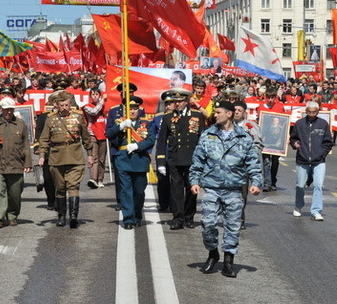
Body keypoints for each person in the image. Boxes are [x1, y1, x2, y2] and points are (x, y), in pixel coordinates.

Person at [189, 101, 262, 278]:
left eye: (218, 112)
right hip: (212, 188)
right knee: (208, 224)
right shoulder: (208, 135)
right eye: (215, 112)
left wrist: (256, 182)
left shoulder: (243, 137)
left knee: (232, 227)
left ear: (229, 114)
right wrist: (194, 181)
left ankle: (229, 261)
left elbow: (253, 162)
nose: (215, 115)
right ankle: (213, 253)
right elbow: (197, 161)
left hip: (234, 189)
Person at [36, 90, 96, 228]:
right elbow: (44, 139)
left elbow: (86, 138)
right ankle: (61, 215)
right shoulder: (51, 119)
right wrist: (41, 156)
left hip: (75, 157)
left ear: (70, 104)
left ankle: (73, 216)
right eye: (61, 105)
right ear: (56, 105)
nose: (64, 108)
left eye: (67, 105)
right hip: (56, 158)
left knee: (73, 186)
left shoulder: (78, 118)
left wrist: (90, 155)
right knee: (60, 187)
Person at [156, 87, 205, 230]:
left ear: (187, 101)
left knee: (191, 189)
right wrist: (160, 162)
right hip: (175, 158)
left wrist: (204, 160)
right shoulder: (167, 117)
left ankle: (189, 216)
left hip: (192, 159)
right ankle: (178, 218)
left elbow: (202, 140)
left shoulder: (197, 116)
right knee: (176, 190)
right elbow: (161, 141)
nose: (177, 104)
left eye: (180, 101)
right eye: (175, 101)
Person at [107, 95, 157, 229]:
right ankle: (128, 219)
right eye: (130, 108)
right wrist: (121, 127)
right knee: (125, 190)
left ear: (139, 109)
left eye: (135, 108)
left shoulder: (147, 123)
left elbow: (151, 139)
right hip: (123, 160)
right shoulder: (120, 122)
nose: (133, 111)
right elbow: (109, 134)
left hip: (140, 160)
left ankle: (137, 215)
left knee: (139, 191)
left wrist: (137, 146)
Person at [0, 97, 33, 227]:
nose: (9, 112)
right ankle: (0, 217)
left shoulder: (21, 124)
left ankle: (12, 215)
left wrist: (28, 163)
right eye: (6, 110)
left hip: (15, 164)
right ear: (1, 109)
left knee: (15, 193)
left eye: (11, 109)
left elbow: (25, 145)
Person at [289, 100, 333, 221]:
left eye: (314, 112)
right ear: (306, 111)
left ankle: (316, 210)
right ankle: (298, 206)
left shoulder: (323, 124)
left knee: (318, 185)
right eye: (309, 112)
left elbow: (328, 142)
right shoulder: (299, 124)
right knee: (300, 185)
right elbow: (293, 138)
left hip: (319, 160)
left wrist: (322, 153)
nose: (312, 114)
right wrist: (295, 144)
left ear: (318, 112)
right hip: (302, 159)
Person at [256, 89, 286, 191]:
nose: (270, 100)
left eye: (272, 98)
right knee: (266, 161)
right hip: (265, 138)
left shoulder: (280, 107)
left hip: (277, 139)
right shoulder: (261, 108)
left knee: (275, 161)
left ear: (275, 98)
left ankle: (273, 181)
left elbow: (284, 122)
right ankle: (267, 183)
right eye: (268, 97)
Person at [82, 87, 108, 189]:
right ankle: (93, 179)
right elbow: (94, 112)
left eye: (97, 94)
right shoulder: (86, 106)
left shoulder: (105, 106)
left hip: (103, 134)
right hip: (92, 134)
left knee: (102, 159)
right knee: (94, 157)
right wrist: (102, 101)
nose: (95, 96)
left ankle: (100, 179)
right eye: (93, 94)